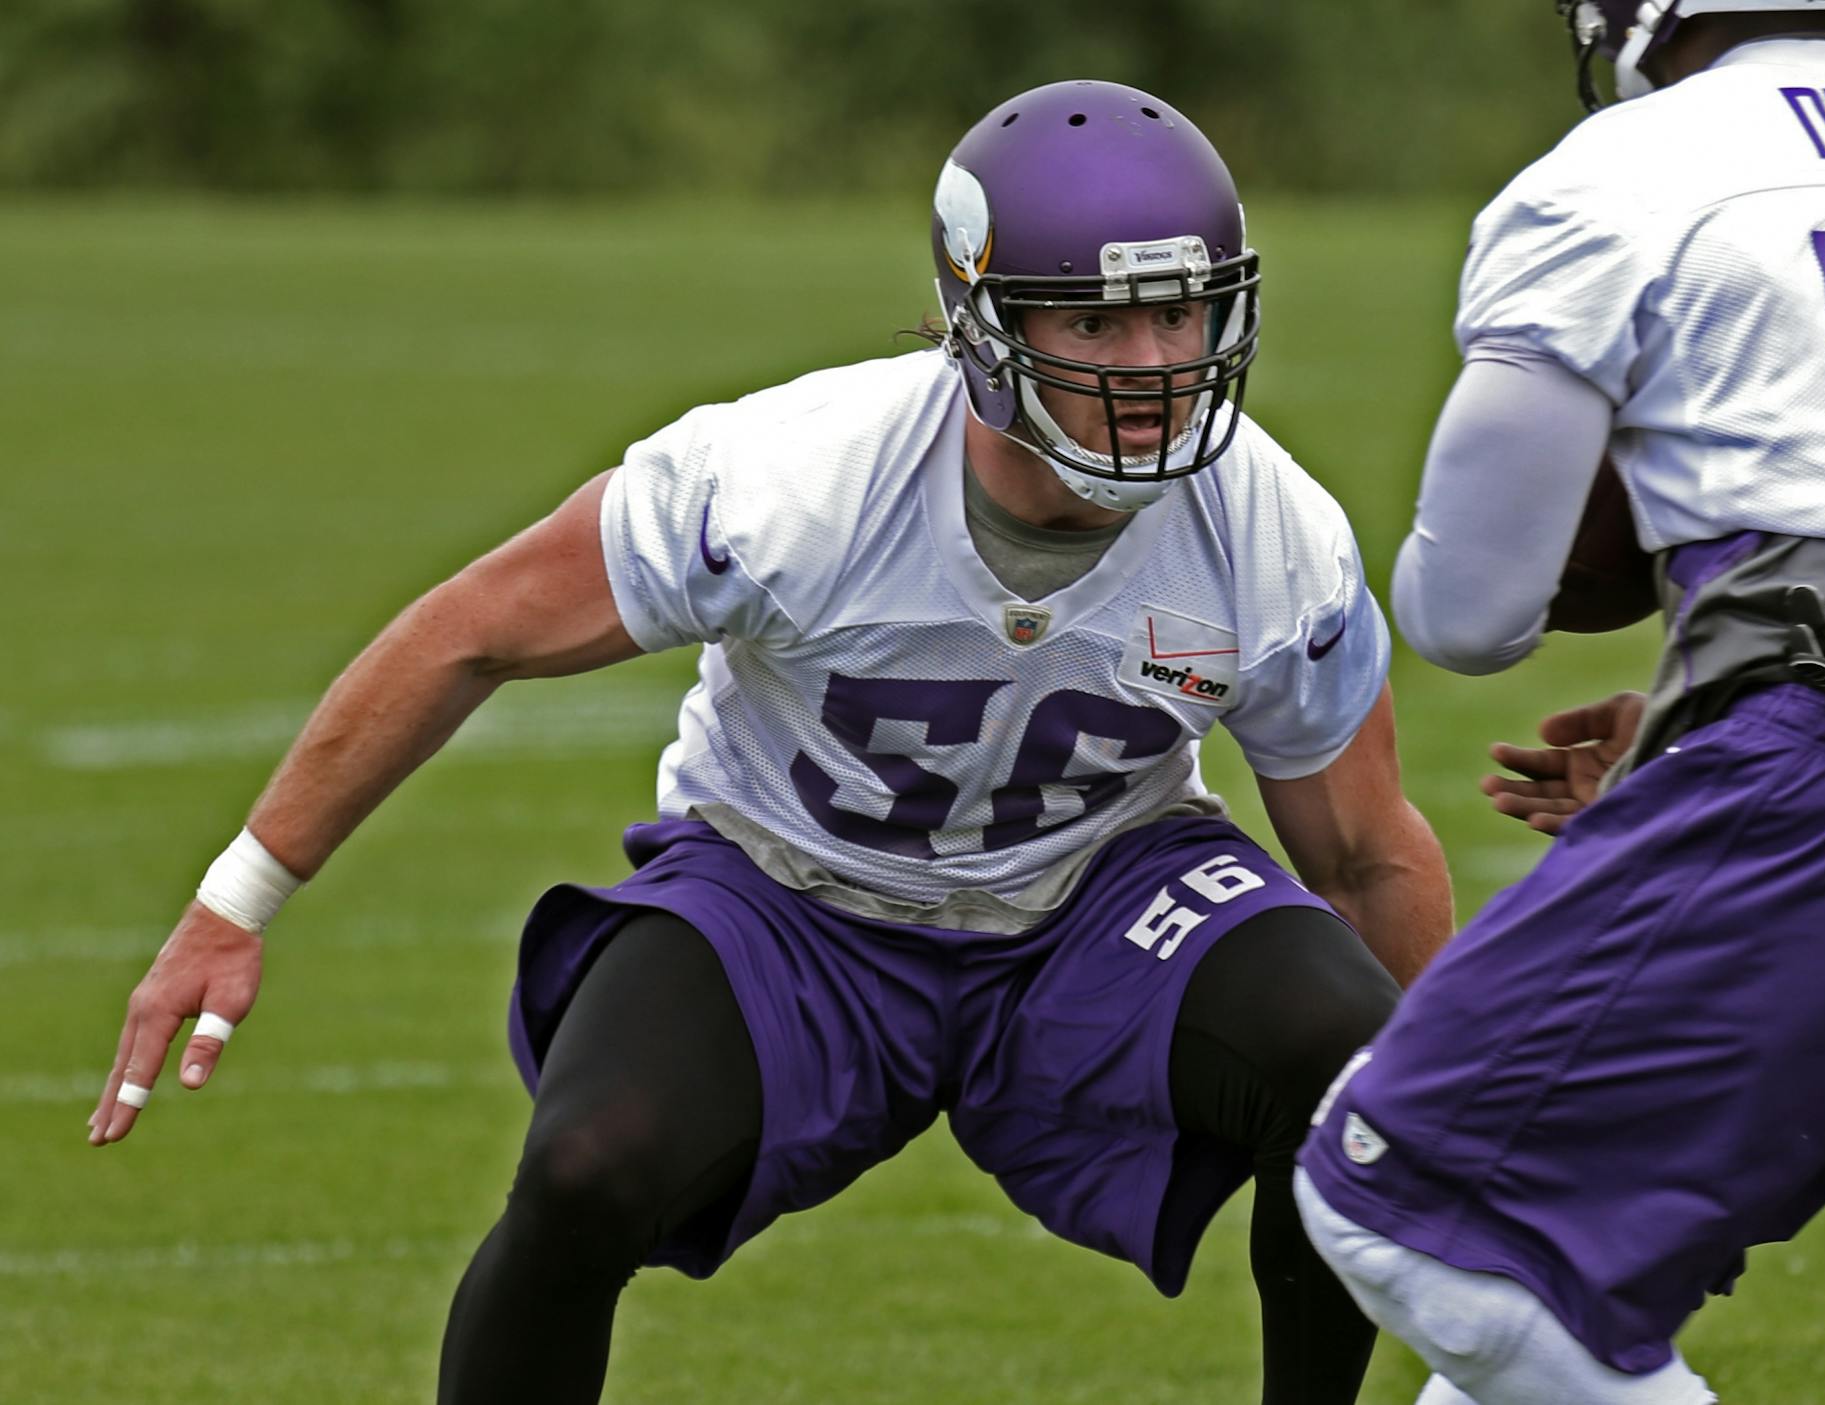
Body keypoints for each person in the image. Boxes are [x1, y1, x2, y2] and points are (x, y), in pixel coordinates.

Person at [87, 80, 1454, 1404]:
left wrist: (1461, 1112)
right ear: (977, 321)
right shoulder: (796, 481)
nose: (1157, 366)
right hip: (790, 897)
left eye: (1180, 313)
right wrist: (239, 897)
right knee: (586, 1166)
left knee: (1352, 1054)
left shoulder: (1272, 532)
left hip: (1091, 902)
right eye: (1098, 323)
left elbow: (1367, 852)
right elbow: (471, 628)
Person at [1292, 4, 1825, 1403]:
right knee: (1548, 1285)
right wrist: (1717, 705)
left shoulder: (1618, 177)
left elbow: (1467, 613)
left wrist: (1770, 727)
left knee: (1392, 1202)